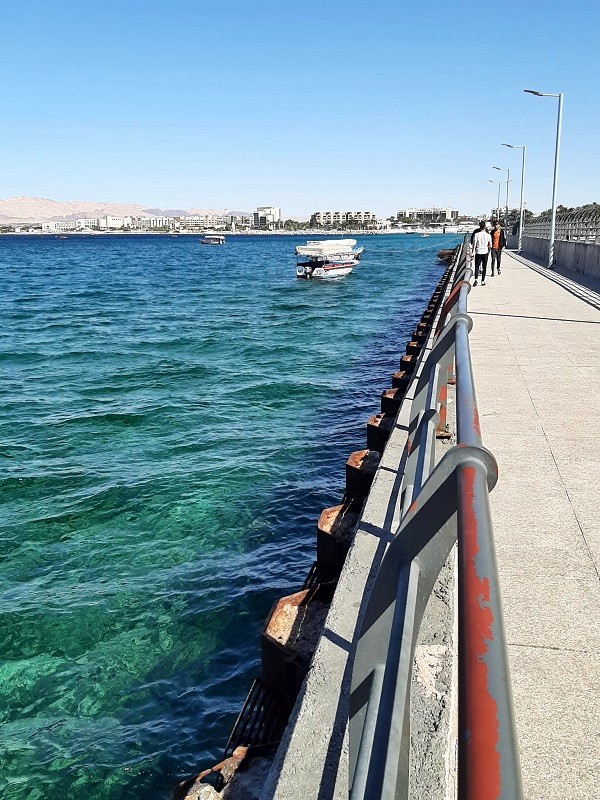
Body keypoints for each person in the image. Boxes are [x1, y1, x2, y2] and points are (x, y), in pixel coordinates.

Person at [471, 220, 492, 286]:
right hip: (485, 252)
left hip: (478, 252)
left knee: (477, 266)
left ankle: (476, 280)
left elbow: (474, 244)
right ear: (485, 227)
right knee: (484, 267)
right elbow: (490, 245)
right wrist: (487, 247)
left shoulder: (476, 234)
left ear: (480, 227)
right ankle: (483, 281)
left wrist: (472, 253)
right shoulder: (488, 235)